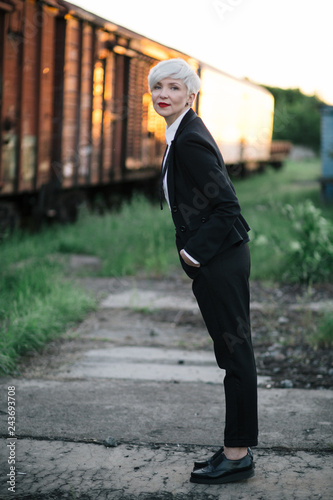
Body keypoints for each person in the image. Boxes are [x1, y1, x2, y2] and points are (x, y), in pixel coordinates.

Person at [148, 58, 258, 485]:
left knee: (236, 355)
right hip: (220, 260)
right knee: (232, 354)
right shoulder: (182, 132)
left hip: (220, 260)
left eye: (174, 88)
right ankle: (236, 447)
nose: (164, 95)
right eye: (158, 87)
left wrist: (193, 253)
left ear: (190, 94)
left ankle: (238, 455)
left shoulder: (189, 139)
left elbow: (228, 204)